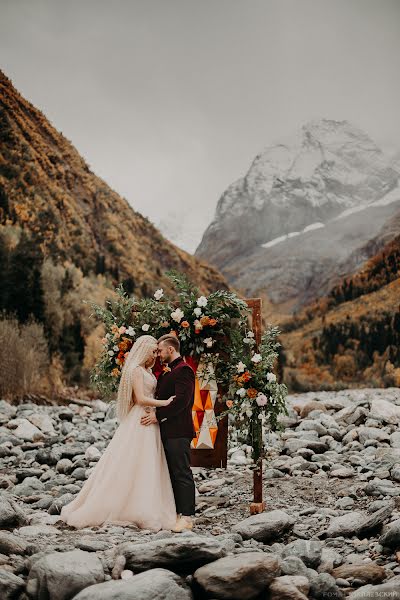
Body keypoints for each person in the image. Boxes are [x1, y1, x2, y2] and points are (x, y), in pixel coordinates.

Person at [60, 335, 178, 531]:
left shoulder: (147, 371)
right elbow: (140, 399)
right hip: (140, 418)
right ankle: (123, 505)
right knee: (132, 459)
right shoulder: (136, 371)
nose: (156, 356)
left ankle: (144, 503)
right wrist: (165, 403)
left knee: (146, 462)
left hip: (150, 418)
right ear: (143, 352)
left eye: (157, 352)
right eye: (153, 352)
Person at [140, 334, 196, 532]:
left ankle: (187, 517)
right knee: (171, 473)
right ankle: (175, 512)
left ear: (171, 350)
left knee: (182, 472)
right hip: (166, 430)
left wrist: (158, 416)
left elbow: (182, 401)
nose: (158, 354)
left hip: (179, 430)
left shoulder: (185, 371)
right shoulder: (167, 372)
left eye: (161, 350)